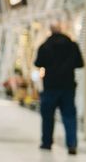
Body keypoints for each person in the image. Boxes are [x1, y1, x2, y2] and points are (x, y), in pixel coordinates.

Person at [34, 24, 83, 154]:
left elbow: (38, 63)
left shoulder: (45, 46)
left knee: (48, 116)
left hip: (50, 86)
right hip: (68, 86)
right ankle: (72, 144)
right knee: (69, 116)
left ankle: (46, 142)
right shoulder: (72, 45)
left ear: (50, 30)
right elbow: (80, 63)